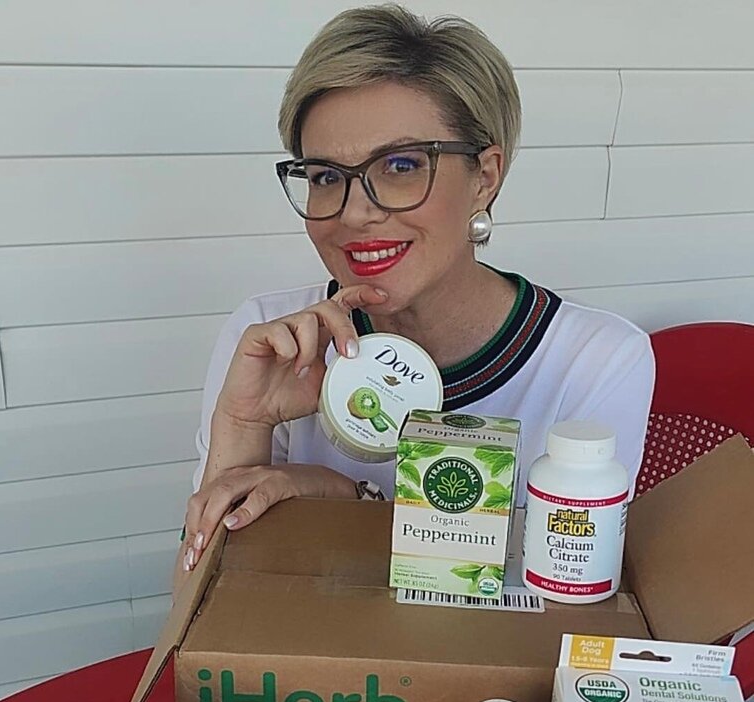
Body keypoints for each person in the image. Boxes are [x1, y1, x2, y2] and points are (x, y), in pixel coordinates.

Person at [177, 4, 654, 585]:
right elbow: (198, 613)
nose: (355, 213)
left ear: (485, 177)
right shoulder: (273, 339)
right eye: (325, 176)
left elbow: (566, 603)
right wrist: (244, 426)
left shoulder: (594, 360)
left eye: (400, 165)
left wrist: (351, 500)